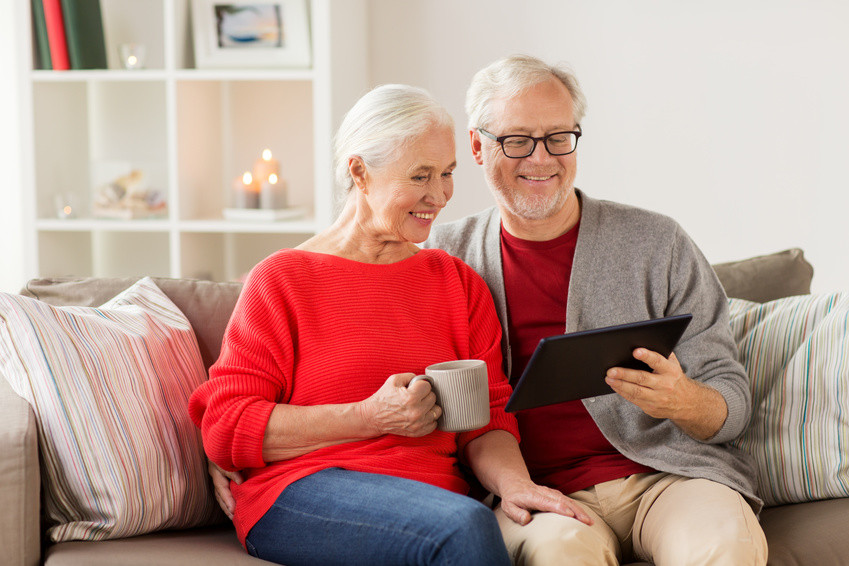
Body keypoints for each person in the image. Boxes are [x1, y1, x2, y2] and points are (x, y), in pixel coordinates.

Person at [189, 83, 590, 566]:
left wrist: (516, 486)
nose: (439, 195)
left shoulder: (457, 283)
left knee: (467, 522)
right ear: (360, 171)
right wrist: (369, 416)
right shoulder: (284, 279)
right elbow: (226, 426)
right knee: (462, 526)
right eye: (420, 176)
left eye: (447, 173)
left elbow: (488, 418)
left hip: (434, 501)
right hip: (303, 492)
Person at [422, 54, 768, 565]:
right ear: (477, 146)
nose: (541, 159)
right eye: (517, 140)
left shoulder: (657, 242)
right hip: (540, 499)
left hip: (670, 479)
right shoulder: (443, 257)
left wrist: (683, 400)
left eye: (559, 137)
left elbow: (731, 405)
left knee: (723, 547)